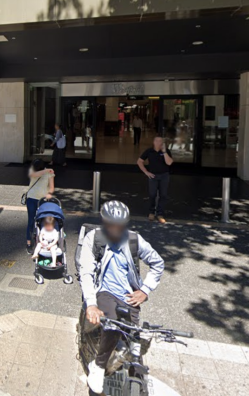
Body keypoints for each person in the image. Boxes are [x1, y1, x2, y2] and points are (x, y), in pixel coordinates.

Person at [79, 201, 165, 395]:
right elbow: (86, 271)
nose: (117, 230)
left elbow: (157, 263)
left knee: (134, 338)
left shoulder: (135, 240)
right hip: (105, 292)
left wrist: (144, 290)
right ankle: (98, 366)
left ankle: (136, 378)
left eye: (121, 226)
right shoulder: (94, 239)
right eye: (111, 225)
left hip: (128, 295)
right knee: (113, 324)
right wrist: (91, 304)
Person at [137, 136, 174, 223]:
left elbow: (169, 162)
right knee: (152, 194)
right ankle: (151, 212)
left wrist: (164, 152)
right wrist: (146, 172)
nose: (158, 142)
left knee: (163, 195)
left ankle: (160, 214)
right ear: (153, 142)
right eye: (156, 141)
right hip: (153, 176)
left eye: (160, 141)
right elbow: (139, 161)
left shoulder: (166, 151)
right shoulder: (149, 151)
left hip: (164, 176)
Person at [25, 159, 55, 255]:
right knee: (31, 220)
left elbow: (51, 188)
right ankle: (29, 242)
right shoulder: (35, 171)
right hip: (31, 198)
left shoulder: (49, 173)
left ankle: (43, 240)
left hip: (42, 200)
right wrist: (47, 170)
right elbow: (34, 175)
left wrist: (49, 193)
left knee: (43, 220)